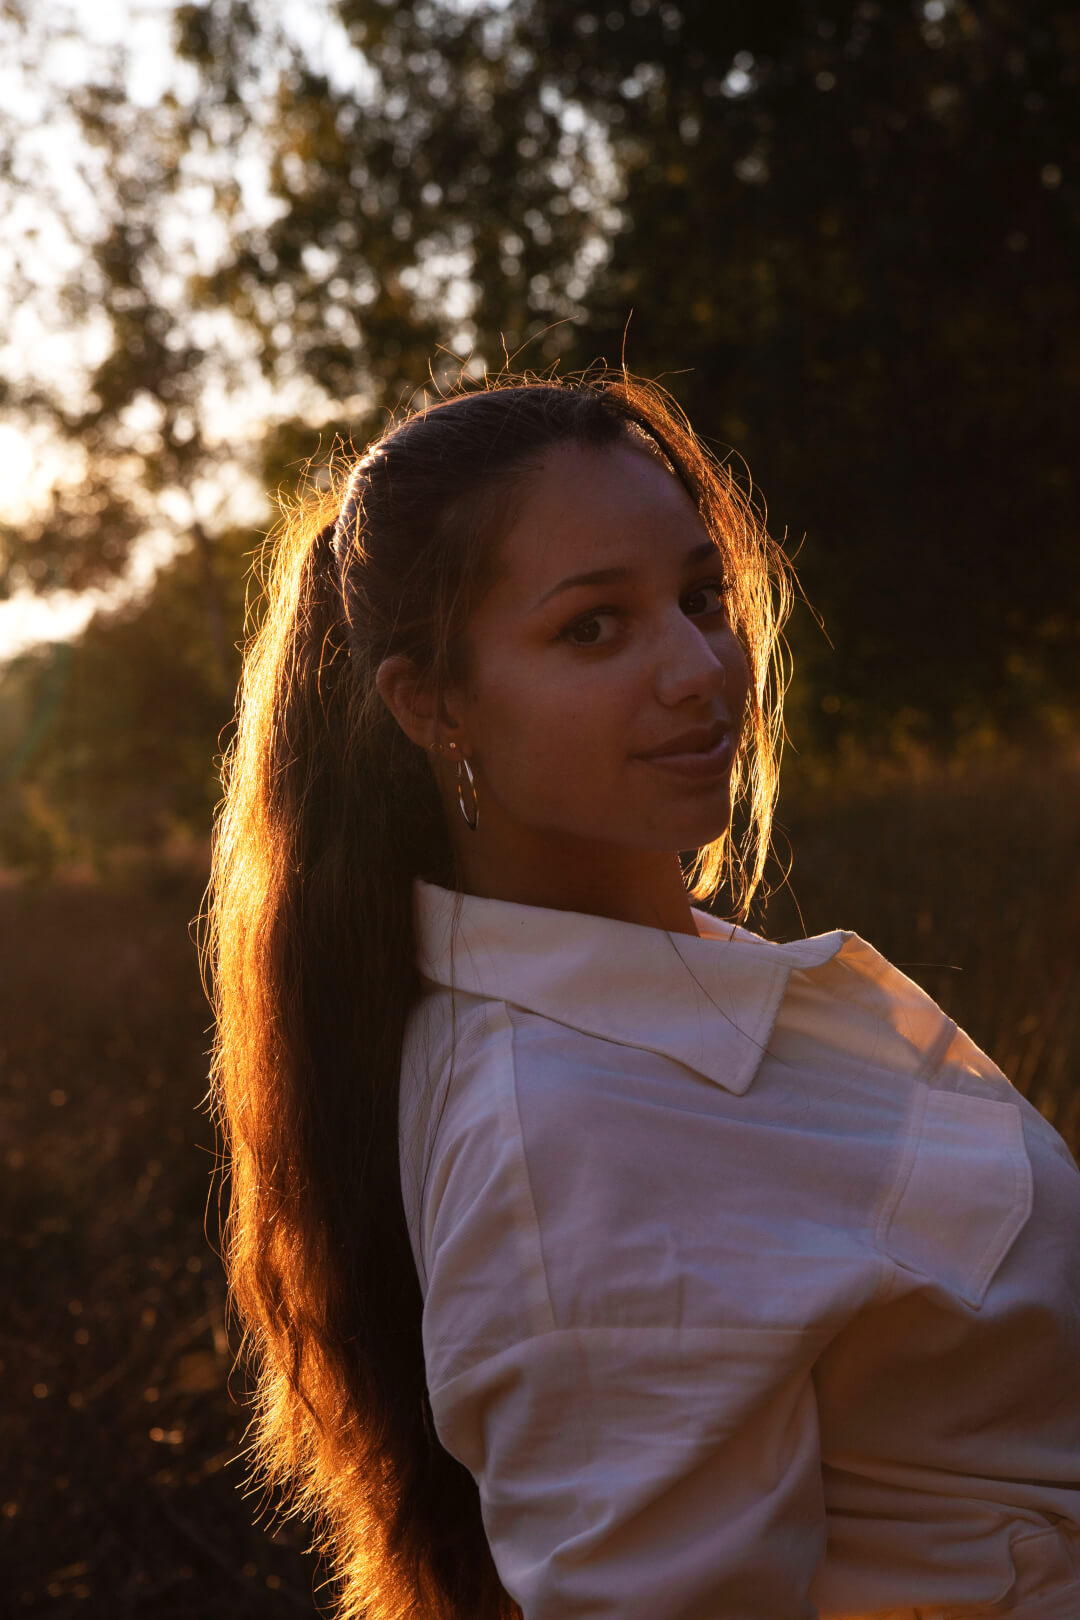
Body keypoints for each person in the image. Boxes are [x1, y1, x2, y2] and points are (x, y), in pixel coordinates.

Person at [203, 373, 1080, 1620]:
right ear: (432, 704)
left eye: (697, 595)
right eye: (592, 630)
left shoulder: (660, 990)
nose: (698, 669)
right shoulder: (559, 1137)